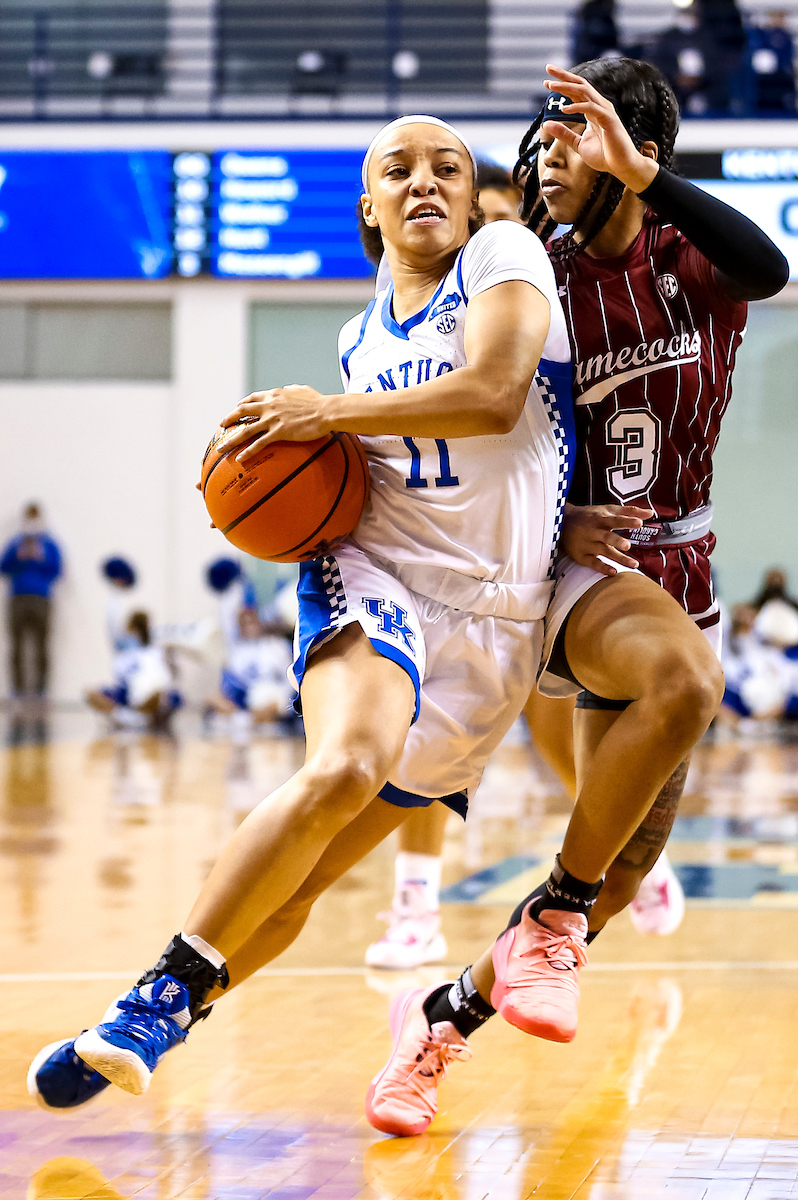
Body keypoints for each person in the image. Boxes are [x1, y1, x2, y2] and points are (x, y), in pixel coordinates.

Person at [28, 112, 582, 1111]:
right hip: (379, 571)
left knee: (308, 879)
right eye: (397, 170)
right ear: (366, 206)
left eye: (446, 168)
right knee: (343, 763)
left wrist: (324, 413)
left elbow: (499, 395)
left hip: (499, 626)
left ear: (471, 197)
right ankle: (149, 1003)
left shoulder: (505, 253)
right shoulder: (358, 336)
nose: (424, 182)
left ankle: (168, 1007)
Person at [364, 56, 788, 1136]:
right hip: (570, 572)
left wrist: (649, 176)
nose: (544, 162)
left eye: (568, 144)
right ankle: (519, 917)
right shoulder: (534, 277)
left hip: (682, 569)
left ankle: (443, 1021)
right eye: (541, 142)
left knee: (606, 875)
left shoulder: (688, 260)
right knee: (688, 689)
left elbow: (769, 265)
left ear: (626, 155)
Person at [364, 159, 576, 972]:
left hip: (540, 554)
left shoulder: (533, 298)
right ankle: (415, 903)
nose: (483, 232)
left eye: (499, 220)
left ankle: (628, 847)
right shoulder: (388, 328)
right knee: (419, 735)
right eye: (475, 217)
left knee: (556, 738)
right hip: (446, 565)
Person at [0, 502, 62, 698]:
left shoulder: (49, 544)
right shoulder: (16, 543)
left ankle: (41, 690)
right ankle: (17, 689)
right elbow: (3, 567)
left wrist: (40, 557)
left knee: (41, 644)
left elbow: (57, 570)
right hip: (18, 598)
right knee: (16, 644)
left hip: (41, 598)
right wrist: (17, 557)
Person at [86, 611, 182, 733]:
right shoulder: (124, 647)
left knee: (168, 697)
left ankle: (135, 716)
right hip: (127, 693)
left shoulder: (156, 648)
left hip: (149, 693)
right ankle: (132, 716)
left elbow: (168, 676)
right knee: (93, 693)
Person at [204, 606, 294, 733]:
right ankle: (245, 719)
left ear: (260, 622)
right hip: (246, 702)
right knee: (212, 701)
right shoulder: (234, 653)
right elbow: (229, 687)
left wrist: (282, 701)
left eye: (252, 622)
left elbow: (291, 680)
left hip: (274, 699)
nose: (249, 627)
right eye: (244, 623)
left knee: (270, 707)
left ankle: (246, 720)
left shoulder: (278, 647)